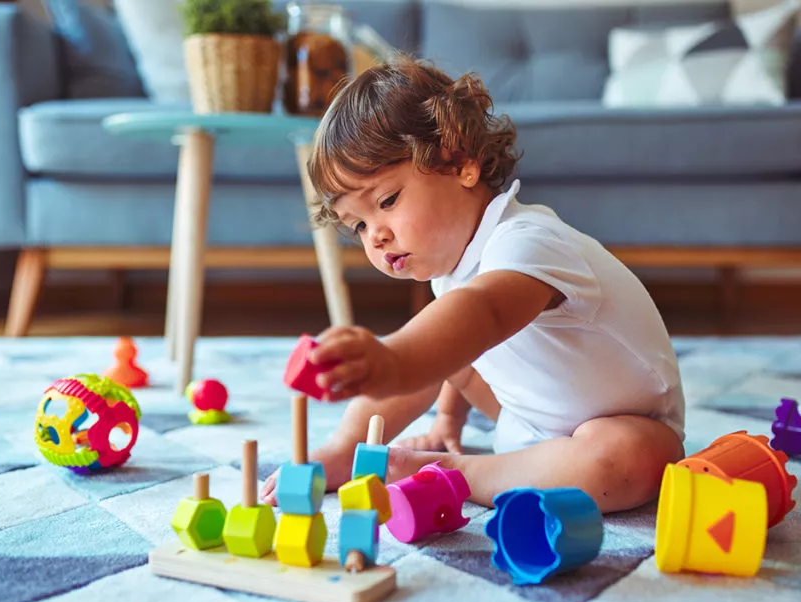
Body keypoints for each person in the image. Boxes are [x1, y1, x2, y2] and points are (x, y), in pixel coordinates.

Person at [262, 57, 685, 513]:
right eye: (359, 226)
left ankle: (457, 474)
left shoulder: (529, 241)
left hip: (626, 425)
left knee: (634, 458)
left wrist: (390, 359)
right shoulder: (452, 271)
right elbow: (458, 350)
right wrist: (449, 416)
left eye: (386, 201)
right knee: (438, 340)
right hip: (527, 423)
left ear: (460, 161)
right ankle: (346, 449)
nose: (376, 236)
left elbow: (483, 316)